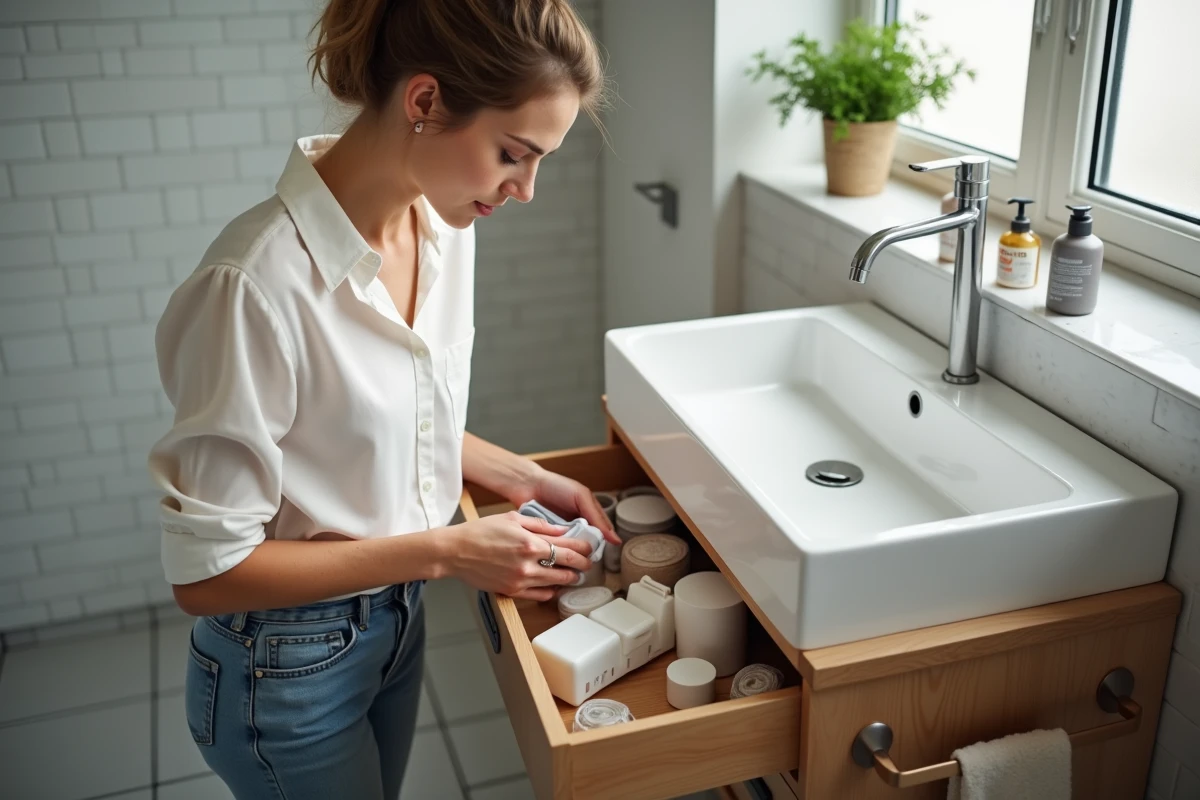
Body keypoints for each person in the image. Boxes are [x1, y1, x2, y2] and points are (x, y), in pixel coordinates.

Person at [147, 1, 613, 797]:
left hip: (393, 623)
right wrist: (449, 551)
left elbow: (379, 423)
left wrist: (522, 477)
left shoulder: (445, 234)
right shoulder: (253, 288)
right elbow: (208, 575)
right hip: (284, 666)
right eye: (514, 153)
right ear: (426, 102)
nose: (526, 190)